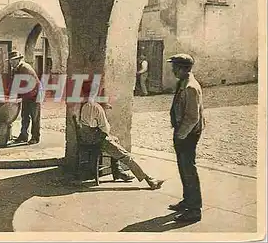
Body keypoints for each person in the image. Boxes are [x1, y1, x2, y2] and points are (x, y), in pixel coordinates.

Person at [78, 82, 165, 190]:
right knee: (126, 156)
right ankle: (150, 180)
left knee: (116, 140)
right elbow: (106, 129)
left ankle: (117, 170)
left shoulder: (82, 104)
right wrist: (102, 111)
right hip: (97, 139)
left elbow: (89, 117)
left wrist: (101, 107)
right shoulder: (96, 108)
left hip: (86, 137)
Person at [167, 53, 205, 222]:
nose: (172, 70)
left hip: (188, 134)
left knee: (188, 169)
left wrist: (180, 135)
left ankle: (194, 209)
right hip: (183, 132)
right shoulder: (182, 82)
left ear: (183, 69)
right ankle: (187, 200)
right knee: (184, 168)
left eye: (175, 67)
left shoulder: (190, 87)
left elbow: (192, 117)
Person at [8, 50, 41, 145]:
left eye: (13, 61)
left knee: (35, 116)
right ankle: (23, 136)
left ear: (18, 60)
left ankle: (35, 137)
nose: (11, 63)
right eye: (10, 61)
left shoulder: (25, 68)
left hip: (35, 94)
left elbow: (21, 85)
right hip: (26, 94)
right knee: (24, 115)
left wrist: (14, 95)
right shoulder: (16, 69)